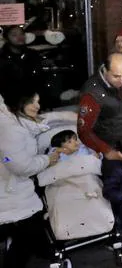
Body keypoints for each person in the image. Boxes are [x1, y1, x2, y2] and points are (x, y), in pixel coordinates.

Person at [78, 53, 122, 257]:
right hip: (113, 153)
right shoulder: (92, 93)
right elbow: (84, 131)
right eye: (116, 76)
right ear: (104, 70)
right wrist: (109, 153)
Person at [0, 91, 61, 268]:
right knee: (26, 238)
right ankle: (49, 254)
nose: (37, 106)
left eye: (38, 101)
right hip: (12, 194)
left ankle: (47, 252)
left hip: (11, 189)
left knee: (29, 232)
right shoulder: (8, 126)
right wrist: (47, 160)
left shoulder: (8, 117)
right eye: (32, 102)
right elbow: (18, 165)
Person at [37, 131, 115, 242]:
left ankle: (99, 222)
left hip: (87, 181)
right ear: (60, 146)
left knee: (94, 198)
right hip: (64, 183)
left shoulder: (85, 150)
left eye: (75, 139)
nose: (75, 143)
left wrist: (96, 157)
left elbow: (96, 161)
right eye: (69, 142)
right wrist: (57, 152)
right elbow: (49, 170)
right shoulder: (56, 155)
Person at [0, 25, 44, 107]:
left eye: (21, 34)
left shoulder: (32, 54)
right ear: (6, 39)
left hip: (33, 102)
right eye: (14, 35)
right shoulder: (2, 57)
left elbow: (39, 79)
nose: (19, 37)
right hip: (9, 105)